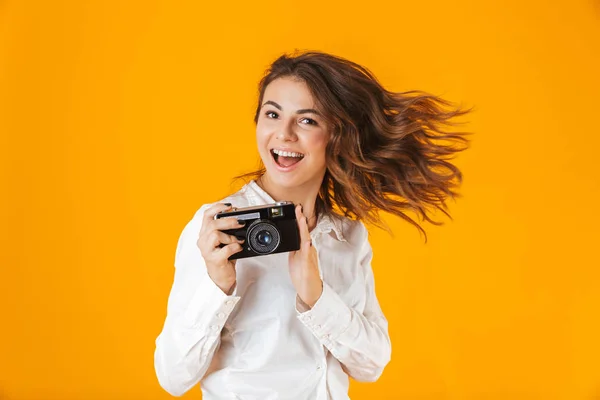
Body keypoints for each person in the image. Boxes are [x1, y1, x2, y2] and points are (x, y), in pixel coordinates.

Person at [154, 50, 470, 399]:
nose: (284, 134)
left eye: (307, 120)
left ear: (337, 134)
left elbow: (372, 365)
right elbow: (172, 377)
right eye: (272, 114)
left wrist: (316, 296)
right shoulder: (217, 228)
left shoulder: (348, 236)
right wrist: (218, 286)